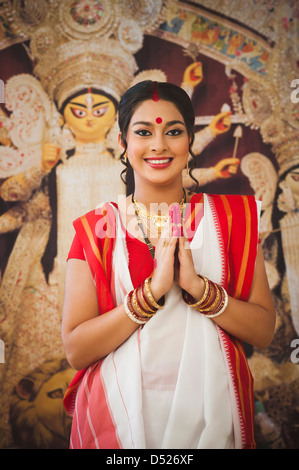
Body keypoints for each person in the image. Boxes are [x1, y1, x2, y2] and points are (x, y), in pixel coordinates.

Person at [62, 80, 276, 449]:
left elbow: (263, 331)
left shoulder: (233, 220)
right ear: (123, 144)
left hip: (213, 415)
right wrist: (153, 292)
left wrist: (198, 288)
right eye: (143, 132)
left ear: (189, 141)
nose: (159, 145)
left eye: (173, 132)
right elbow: (77, 350)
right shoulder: (94, 231)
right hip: (117, 416)